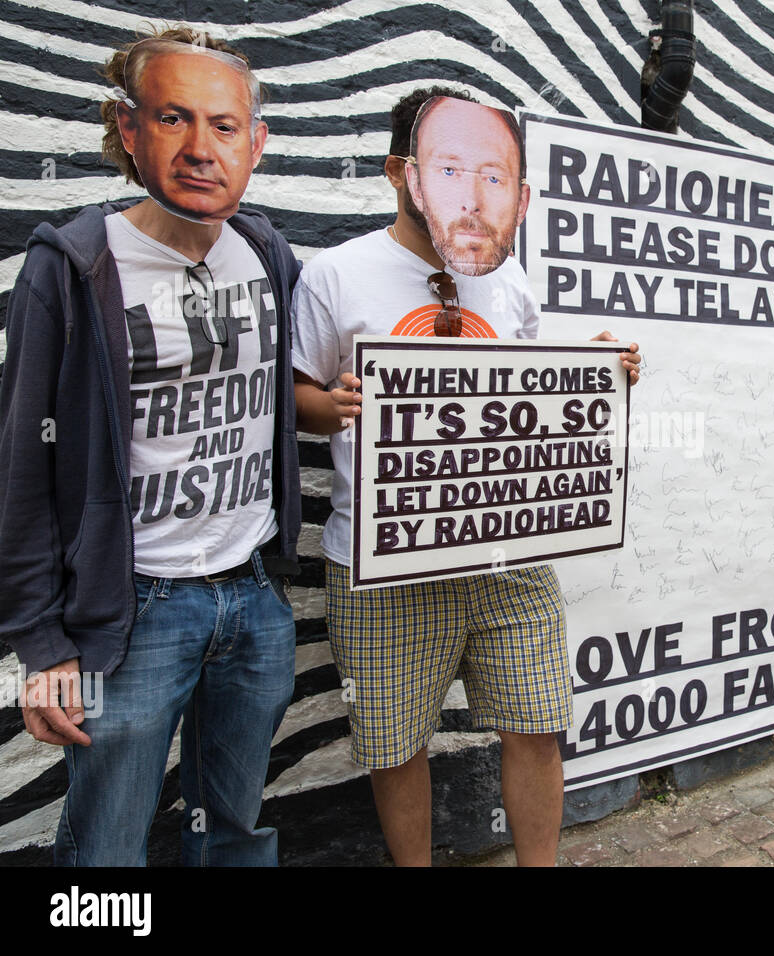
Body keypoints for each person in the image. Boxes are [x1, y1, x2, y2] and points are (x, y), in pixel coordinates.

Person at [291, 87, 640, 866]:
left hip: (505, 550)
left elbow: (521, 401)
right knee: (394, 744)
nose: (474, 197)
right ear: (402, 175)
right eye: (449, 170)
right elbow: (294, 394)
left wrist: (598, 370)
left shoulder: (507, 281)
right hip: (384, 565)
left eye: (492, 176)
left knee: (539, 723)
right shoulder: (337, 276)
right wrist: (334, 404)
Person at [0, 27, 302, 865]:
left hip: (251, 598)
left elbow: (313, 386)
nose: (201, 149)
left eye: (224, 125)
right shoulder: (71, 266)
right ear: (130, 131)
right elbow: (22, 468)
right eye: (173, 119)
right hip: (129, 616)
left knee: (237, 831)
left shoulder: (266, 255)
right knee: (107, 848)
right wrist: (43, 646)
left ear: (257, 144)